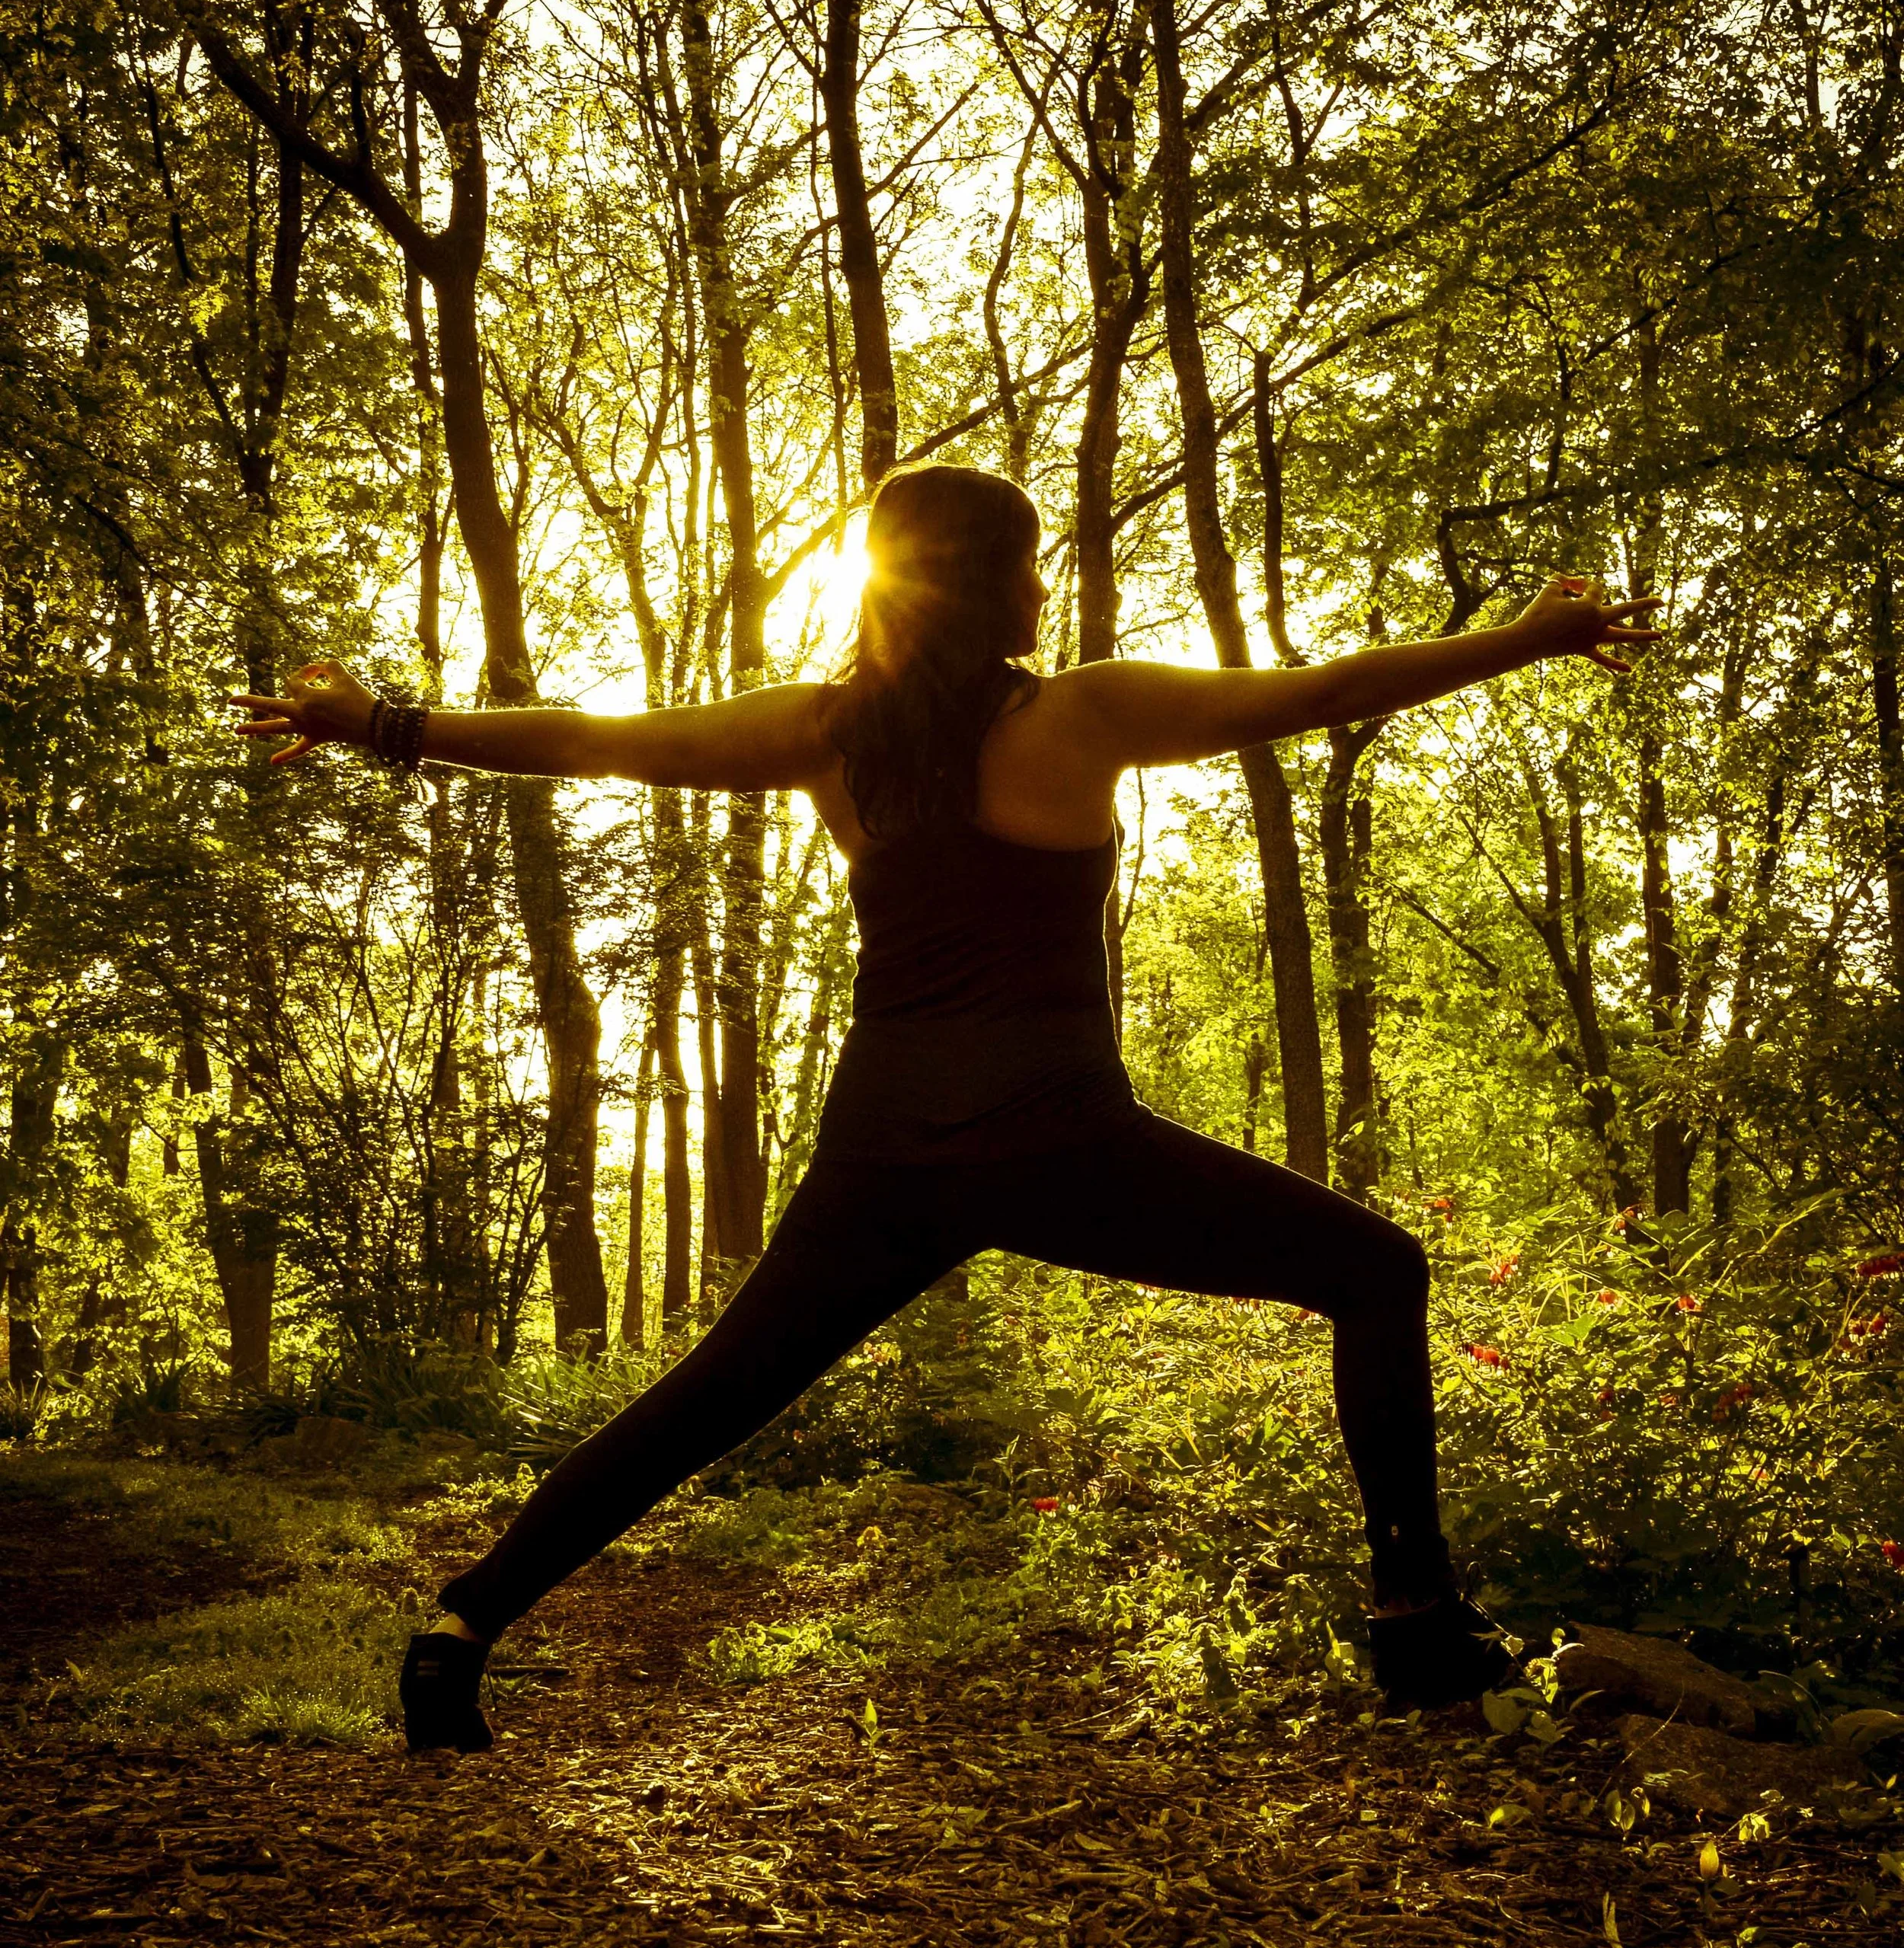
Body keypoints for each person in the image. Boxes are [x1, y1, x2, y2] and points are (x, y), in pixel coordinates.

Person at [232, 464, 1662, 1750]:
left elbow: (597, 740)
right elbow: (1322, 687)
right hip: (1063, 1144)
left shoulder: (822, 732)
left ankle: (462, 1628)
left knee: (708, 1402)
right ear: (1008, 579)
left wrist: (383, 722)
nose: (1044, 583)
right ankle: (1417, 1621)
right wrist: (1523, 638)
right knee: (1375, 1270)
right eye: (1033, 560)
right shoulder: (1085, 710)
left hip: (887, 1153)